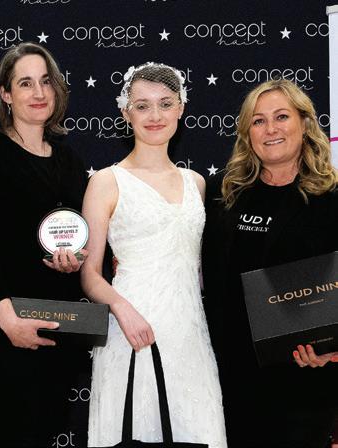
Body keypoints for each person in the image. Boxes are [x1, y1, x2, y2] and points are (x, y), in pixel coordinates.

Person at [81, 62, 227, 447]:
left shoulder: (197, 183)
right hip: (131, 332)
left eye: (165, 103)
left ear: (181, 108)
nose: (155, 115)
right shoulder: (106, 182)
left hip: (189, 337)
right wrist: (122, 309)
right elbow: (90, 274)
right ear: (125, 112)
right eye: (142, 106)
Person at [0, 42, 89, 447]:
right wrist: (7, 320)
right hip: (10, 336)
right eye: (25, 83)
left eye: (45, 81)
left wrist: (76, 260)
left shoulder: (69, 160)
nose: (38, 93)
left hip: (61, 331)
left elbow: (79, 235)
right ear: (5, 94)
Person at [202, 79, 338, 448]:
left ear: (305, 124)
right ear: (247, 133)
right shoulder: (221, 193)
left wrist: (333, 347)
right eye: (258, 121)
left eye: (281, 117)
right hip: (228, 375)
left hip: (304, 376)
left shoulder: (331, 198)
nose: (270, 129)